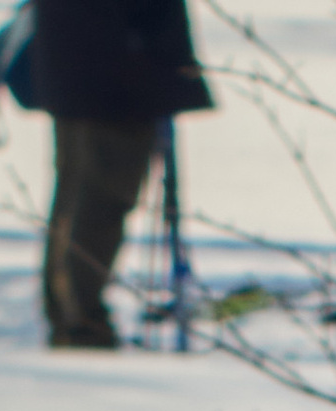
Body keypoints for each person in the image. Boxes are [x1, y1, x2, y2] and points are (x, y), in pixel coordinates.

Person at [25, 0, 210, 352]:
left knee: (80, 191)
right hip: (115, 73)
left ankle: (72, 318)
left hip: (90, 66)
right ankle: (81, 324)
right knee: (100, 198)